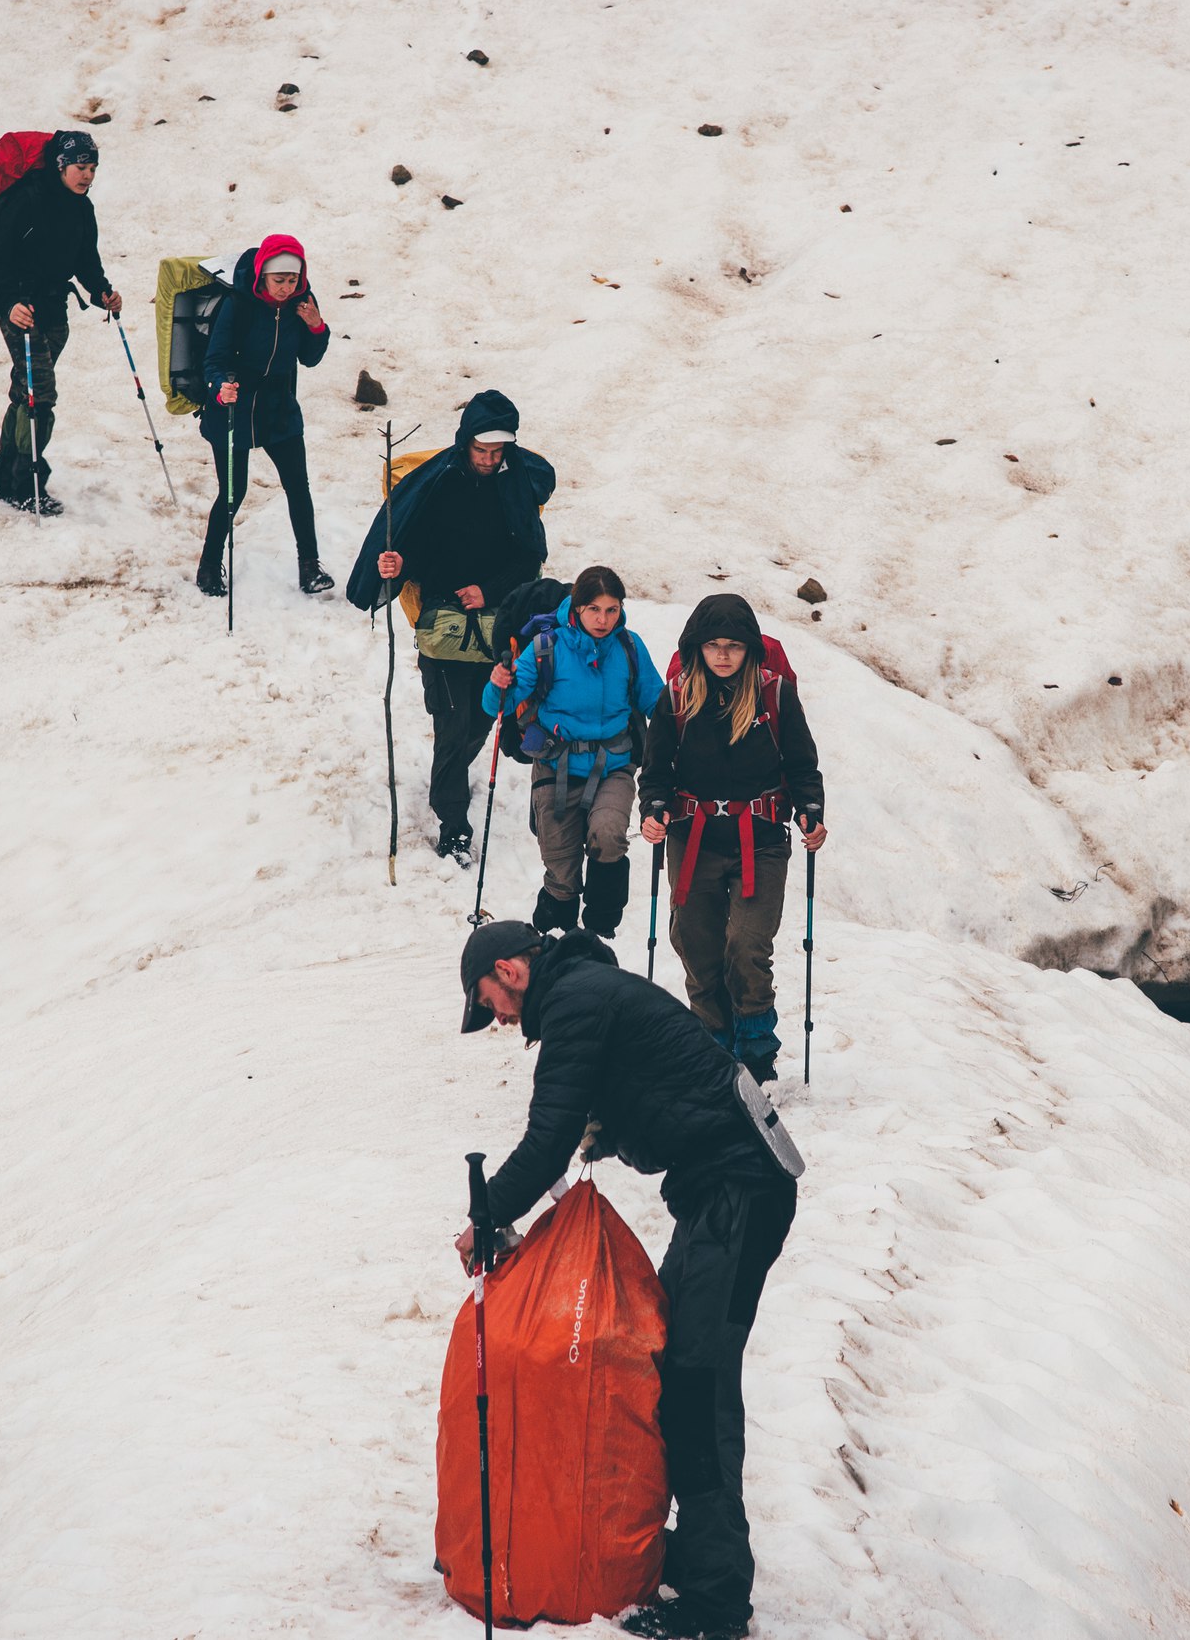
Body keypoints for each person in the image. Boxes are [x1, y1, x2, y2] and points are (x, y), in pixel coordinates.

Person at [456, 919, 804, 1640]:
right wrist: (597, 1142)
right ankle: (692, 1556)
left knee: (697, 1382)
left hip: (740, 1184)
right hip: (724, 1185)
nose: (497, 1016)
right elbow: (604, 1120)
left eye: (488, 999)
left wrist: (485, 1214)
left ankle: (717, 1603)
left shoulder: (578, 1003)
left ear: (509, 970)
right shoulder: (587, 996)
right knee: (668, 1364)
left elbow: (547, 1133)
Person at [345, 390, 553, 862]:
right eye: (481, 450)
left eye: (496, 452)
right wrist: (399, 563)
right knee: (451, 723)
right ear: (465, 444)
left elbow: (529, 558)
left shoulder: (515, 486)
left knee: (481, 719)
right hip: (445, 624)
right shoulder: (439, 484)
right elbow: (419, 546)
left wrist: (489, 590)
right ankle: (453, 819)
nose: (487, 459)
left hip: (500, 623)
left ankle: (451, 783)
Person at [640, 595, 827, 1084]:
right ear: (697, 647)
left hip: (760, 837)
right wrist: (653, 811)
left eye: (734, 647)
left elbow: (802, 766)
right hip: (692, 835)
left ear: (750, 650)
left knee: (746, 943)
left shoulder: (775, 695)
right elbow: (655, 770)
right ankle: (713, 1043)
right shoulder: (677, 697)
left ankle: (757, 1051)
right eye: (713, 646)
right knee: (695, 943)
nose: (723, 655)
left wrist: (810, 813)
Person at [483, 566, 665, 936]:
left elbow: (657, 705)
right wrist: (497, 684)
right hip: (555, 763)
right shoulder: (546, 648)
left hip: (613, 764)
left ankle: (600, 927)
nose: (603, 619)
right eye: (594, 609)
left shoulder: (629, 647)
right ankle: (555, 937)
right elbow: (497, 705)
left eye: (612, 610)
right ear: (577, 608)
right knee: (560, 871)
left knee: (609, 833)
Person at [0, 129, 122, 513]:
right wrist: (7, 304)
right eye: (80, 167)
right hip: (20, 309)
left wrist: (101, 291)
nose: (87, 176)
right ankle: (27, 484)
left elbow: (86, 259)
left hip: (54, 308)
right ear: (60, 165)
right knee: (41, 394)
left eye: (92, 168)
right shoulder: (28, 199)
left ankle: (2, 476)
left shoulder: (82, 209)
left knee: (26, 392)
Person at [195, 232, 333, 596]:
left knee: (297, 487)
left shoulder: (302, 302)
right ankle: (209, 566)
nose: (287, 288)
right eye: (279, 280)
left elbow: (310, 357)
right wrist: (219, 386)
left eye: (293, 279)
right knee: (233, 491)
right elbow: (214, 359)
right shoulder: (238, 304)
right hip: (233, 406)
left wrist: (316, 326)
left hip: (278, 407)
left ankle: (310, 567)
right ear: (262, 276)